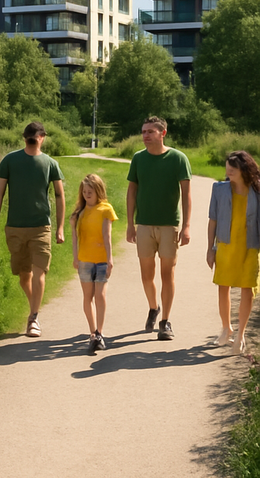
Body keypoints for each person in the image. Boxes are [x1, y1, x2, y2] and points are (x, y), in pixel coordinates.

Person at [0, 121, 65, 337]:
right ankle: (35, 308)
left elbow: (59, 195)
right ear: (25, 138)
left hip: (41, 227)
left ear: (43, 138)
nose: (35, 139)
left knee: (40, 272)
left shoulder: (50, 163)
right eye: (32, 136)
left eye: (37, 136)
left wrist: (60, 228)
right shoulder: (10, 160)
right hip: (15, 228)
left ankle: (33, 318)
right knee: (24, 276)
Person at [126, 116, 192, 341]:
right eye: (143, 131)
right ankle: (154, 308)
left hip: (168, 226)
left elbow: (187, 194)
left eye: (150, 132)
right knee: (147, 275)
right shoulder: (138, 159)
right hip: (144, 224)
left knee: (167, 274)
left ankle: (165, 322)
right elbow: (132, 192)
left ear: (162, 133)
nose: (145, 135)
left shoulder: (178, 158)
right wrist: (129, 224)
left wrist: (186, 227)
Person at [206, 150, 260, 355]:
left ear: (244, 170)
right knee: (223, 287)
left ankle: (241, 334)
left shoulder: (257, 190)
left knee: (248, 290)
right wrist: (210, 248)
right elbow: (212, 220)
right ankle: (226, 328)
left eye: (233, 170)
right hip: (226, 246)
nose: (228, 173)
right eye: (227, 170)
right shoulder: (219, 190)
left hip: (251, 247)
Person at [70, 174, 117, 354]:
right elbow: (75, 239)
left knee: (100, 296)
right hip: (84, 259)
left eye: (90, 191)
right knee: (87, 297)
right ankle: (92, 332)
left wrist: (110, 259)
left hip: (102, 260)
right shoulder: (79, 213)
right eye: (84, 191)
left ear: (98, 191)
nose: (87, 194)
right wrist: (75, 258)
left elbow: (107, 236)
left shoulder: (106, 209)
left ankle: (100, 332)